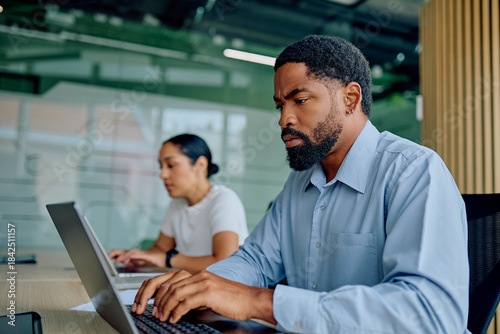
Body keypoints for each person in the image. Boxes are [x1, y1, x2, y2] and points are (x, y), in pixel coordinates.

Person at [131, 36, 470, 333]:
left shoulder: (413, 172)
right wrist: (201, 285)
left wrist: (261, 302)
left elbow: (430, 316)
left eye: (300, 100)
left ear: (350, 99)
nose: (284, 119)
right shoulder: (301, 181)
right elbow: (256, 260)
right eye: (280, 105)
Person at [109, 134, 249, 274]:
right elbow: (159, 250)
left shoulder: (223, 199)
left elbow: (224, 262)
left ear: (200, 165)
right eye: (161, 167)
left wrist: (169, 259)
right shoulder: (177, 204)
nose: (163, 175)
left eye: (171, 165)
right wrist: (138, 257)